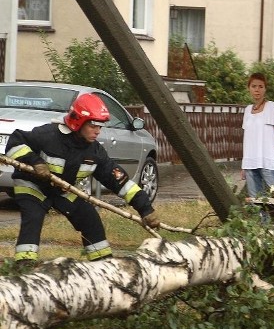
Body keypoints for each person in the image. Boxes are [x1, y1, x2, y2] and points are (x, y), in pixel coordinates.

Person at [5, 93, 160, 266]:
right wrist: (35, 162)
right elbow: (15, 142)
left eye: (100, 126)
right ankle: (24, 266)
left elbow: (120, 182)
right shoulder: (48, 135)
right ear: (78, 121)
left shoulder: (94, 152)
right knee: (33, 217)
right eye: (93, 125)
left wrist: (145, 209)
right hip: (32, 185)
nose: (98, 131)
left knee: (89, 218)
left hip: (63, 190)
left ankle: (103, 265)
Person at [241, 72, 274, 198]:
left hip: (267, 162)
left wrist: (267, 140)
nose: (257, 90)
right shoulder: (247, 110)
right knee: (257, 202)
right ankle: (262, 219)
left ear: (265, 89)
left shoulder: (271, 107)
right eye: (254, 86)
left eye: (260, 86)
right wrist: (244, 165)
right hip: (250, 163)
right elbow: (247, 139)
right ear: (249, 88)